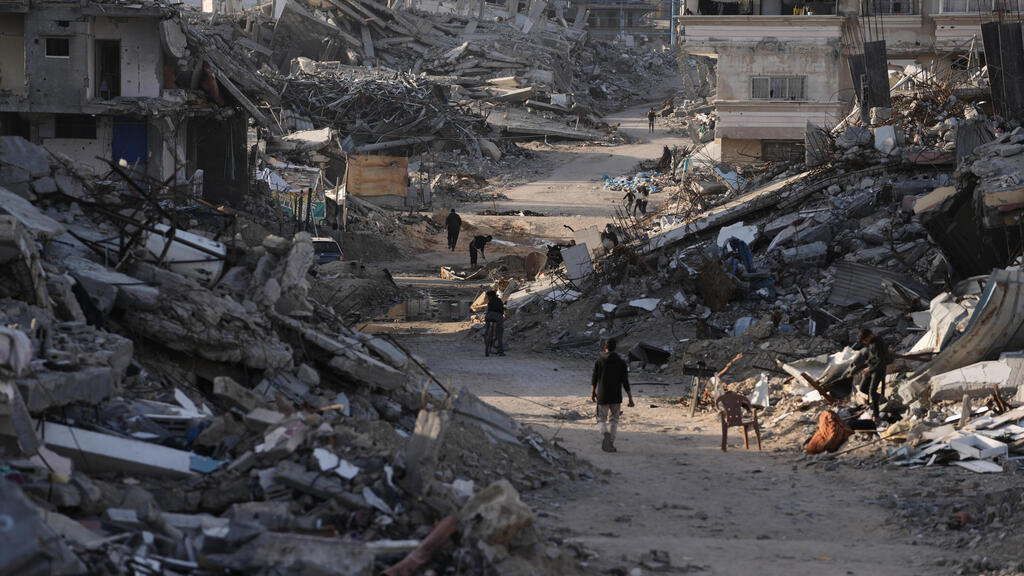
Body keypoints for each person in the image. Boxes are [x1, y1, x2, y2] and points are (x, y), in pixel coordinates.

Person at [591, 338, 634, 453]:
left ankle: (605, 433)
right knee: (614, 421)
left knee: (601, 420)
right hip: (616, 396)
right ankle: (610, 442)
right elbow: (625, 382)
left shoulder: (599, 360)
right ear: (615, 348)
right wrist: (630, 398)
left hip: (602, 395)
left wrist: (593, 392)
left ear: (605, 347)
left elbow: (594, 378)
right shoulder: (621, 362)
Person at [849, 328, 889, 420]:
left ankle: (876, 415)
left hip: (879, 369)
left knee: (872, 391)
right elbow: (872, 358)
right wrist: (866, 367)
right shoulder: (871, 343)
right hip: (872, 368)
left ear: (870, 336)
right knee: (863, 387)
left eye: (865, 340)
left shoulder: (877, 343)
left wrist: (869, 371)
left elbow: (880, 361)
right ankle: (880, 398)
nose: (864, 342)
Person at [484, 289, 505, 356]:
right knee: (499, 334)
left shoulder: (490, 302)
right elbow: (502, 310)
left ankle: (486, 333)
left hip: (489, 316)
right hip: (498, 317)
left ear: (490, 296)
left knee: (487, 325)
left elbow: (488, 310)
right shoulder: (499, 300)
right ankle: (501, 352)